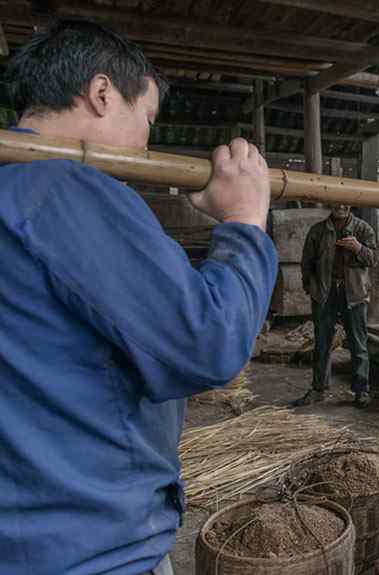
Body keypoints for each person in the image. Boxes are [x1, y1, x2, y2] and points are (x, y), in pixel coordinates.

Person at [0, 20, 277, 575]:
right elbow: (208, 342)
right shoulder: (64, 189)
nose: (147, 143)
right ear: (102, 93)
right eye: (147, 118)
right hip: (92, 548)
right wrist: (246, 221)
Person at [295, 203, 378, 408]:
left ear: (351, 203)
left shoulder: (363, 229)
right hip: (325, 292)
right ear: (329, 203)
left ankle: (361, 390)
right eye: (336, 201)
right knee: (322, 341)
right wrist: (310, 287)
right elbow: (307, 262)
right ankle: (318, 389)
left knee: (358, 342)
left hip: (354, 292)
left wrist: (358, 248)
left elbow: (373, 259)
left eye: (344, 202)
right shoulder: (318, 231)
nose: (340, 205)